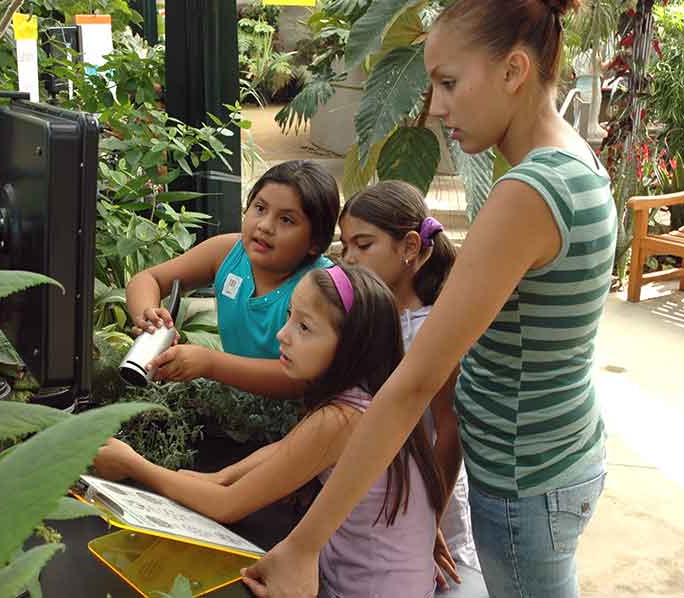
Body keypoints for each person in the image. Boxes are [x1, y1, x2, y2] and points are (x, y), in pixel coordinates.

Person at [243, 1, 615, 597]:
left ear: (513, 71)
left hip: (526, 479)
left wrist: (303, 546)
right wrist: (436, 500)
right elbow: (499, 361)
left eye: (448, 83)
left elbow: (415, 384)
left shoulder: (528, 194)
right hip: (558, 455)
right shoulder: (578, 162)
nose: (437, 107)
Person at [97, 265, 448, 597]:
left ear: (350, 345)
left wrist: (133, 465)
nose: (283, 334)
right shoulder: (367, 400)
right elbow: (281, 454)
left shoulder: (339, 419)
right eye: (289, 316)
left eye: (305, 327)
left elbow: (227, 505)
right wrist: (213, 479)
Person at [339, 181, 485, 597]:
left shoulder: (436, 326)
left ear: (408, 246)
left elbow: (449, 430)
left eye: (363, 245)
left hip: (431, 491)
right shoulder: (368, 311)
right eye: (345, 245)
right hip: (381, 487)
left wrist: (429, 519)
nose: (349, 258)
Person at [125, 160, 339, 398]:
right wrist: (149, 318)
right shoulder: (227, 252)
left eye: (286, 220)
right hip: (235, 406)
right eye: (260, 208)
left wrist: (211, 364)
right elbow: (147, 278)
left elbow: (302, 379)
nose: (265, 226)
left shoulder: (321, 287)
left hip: (299, 419)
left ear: (316, 242)